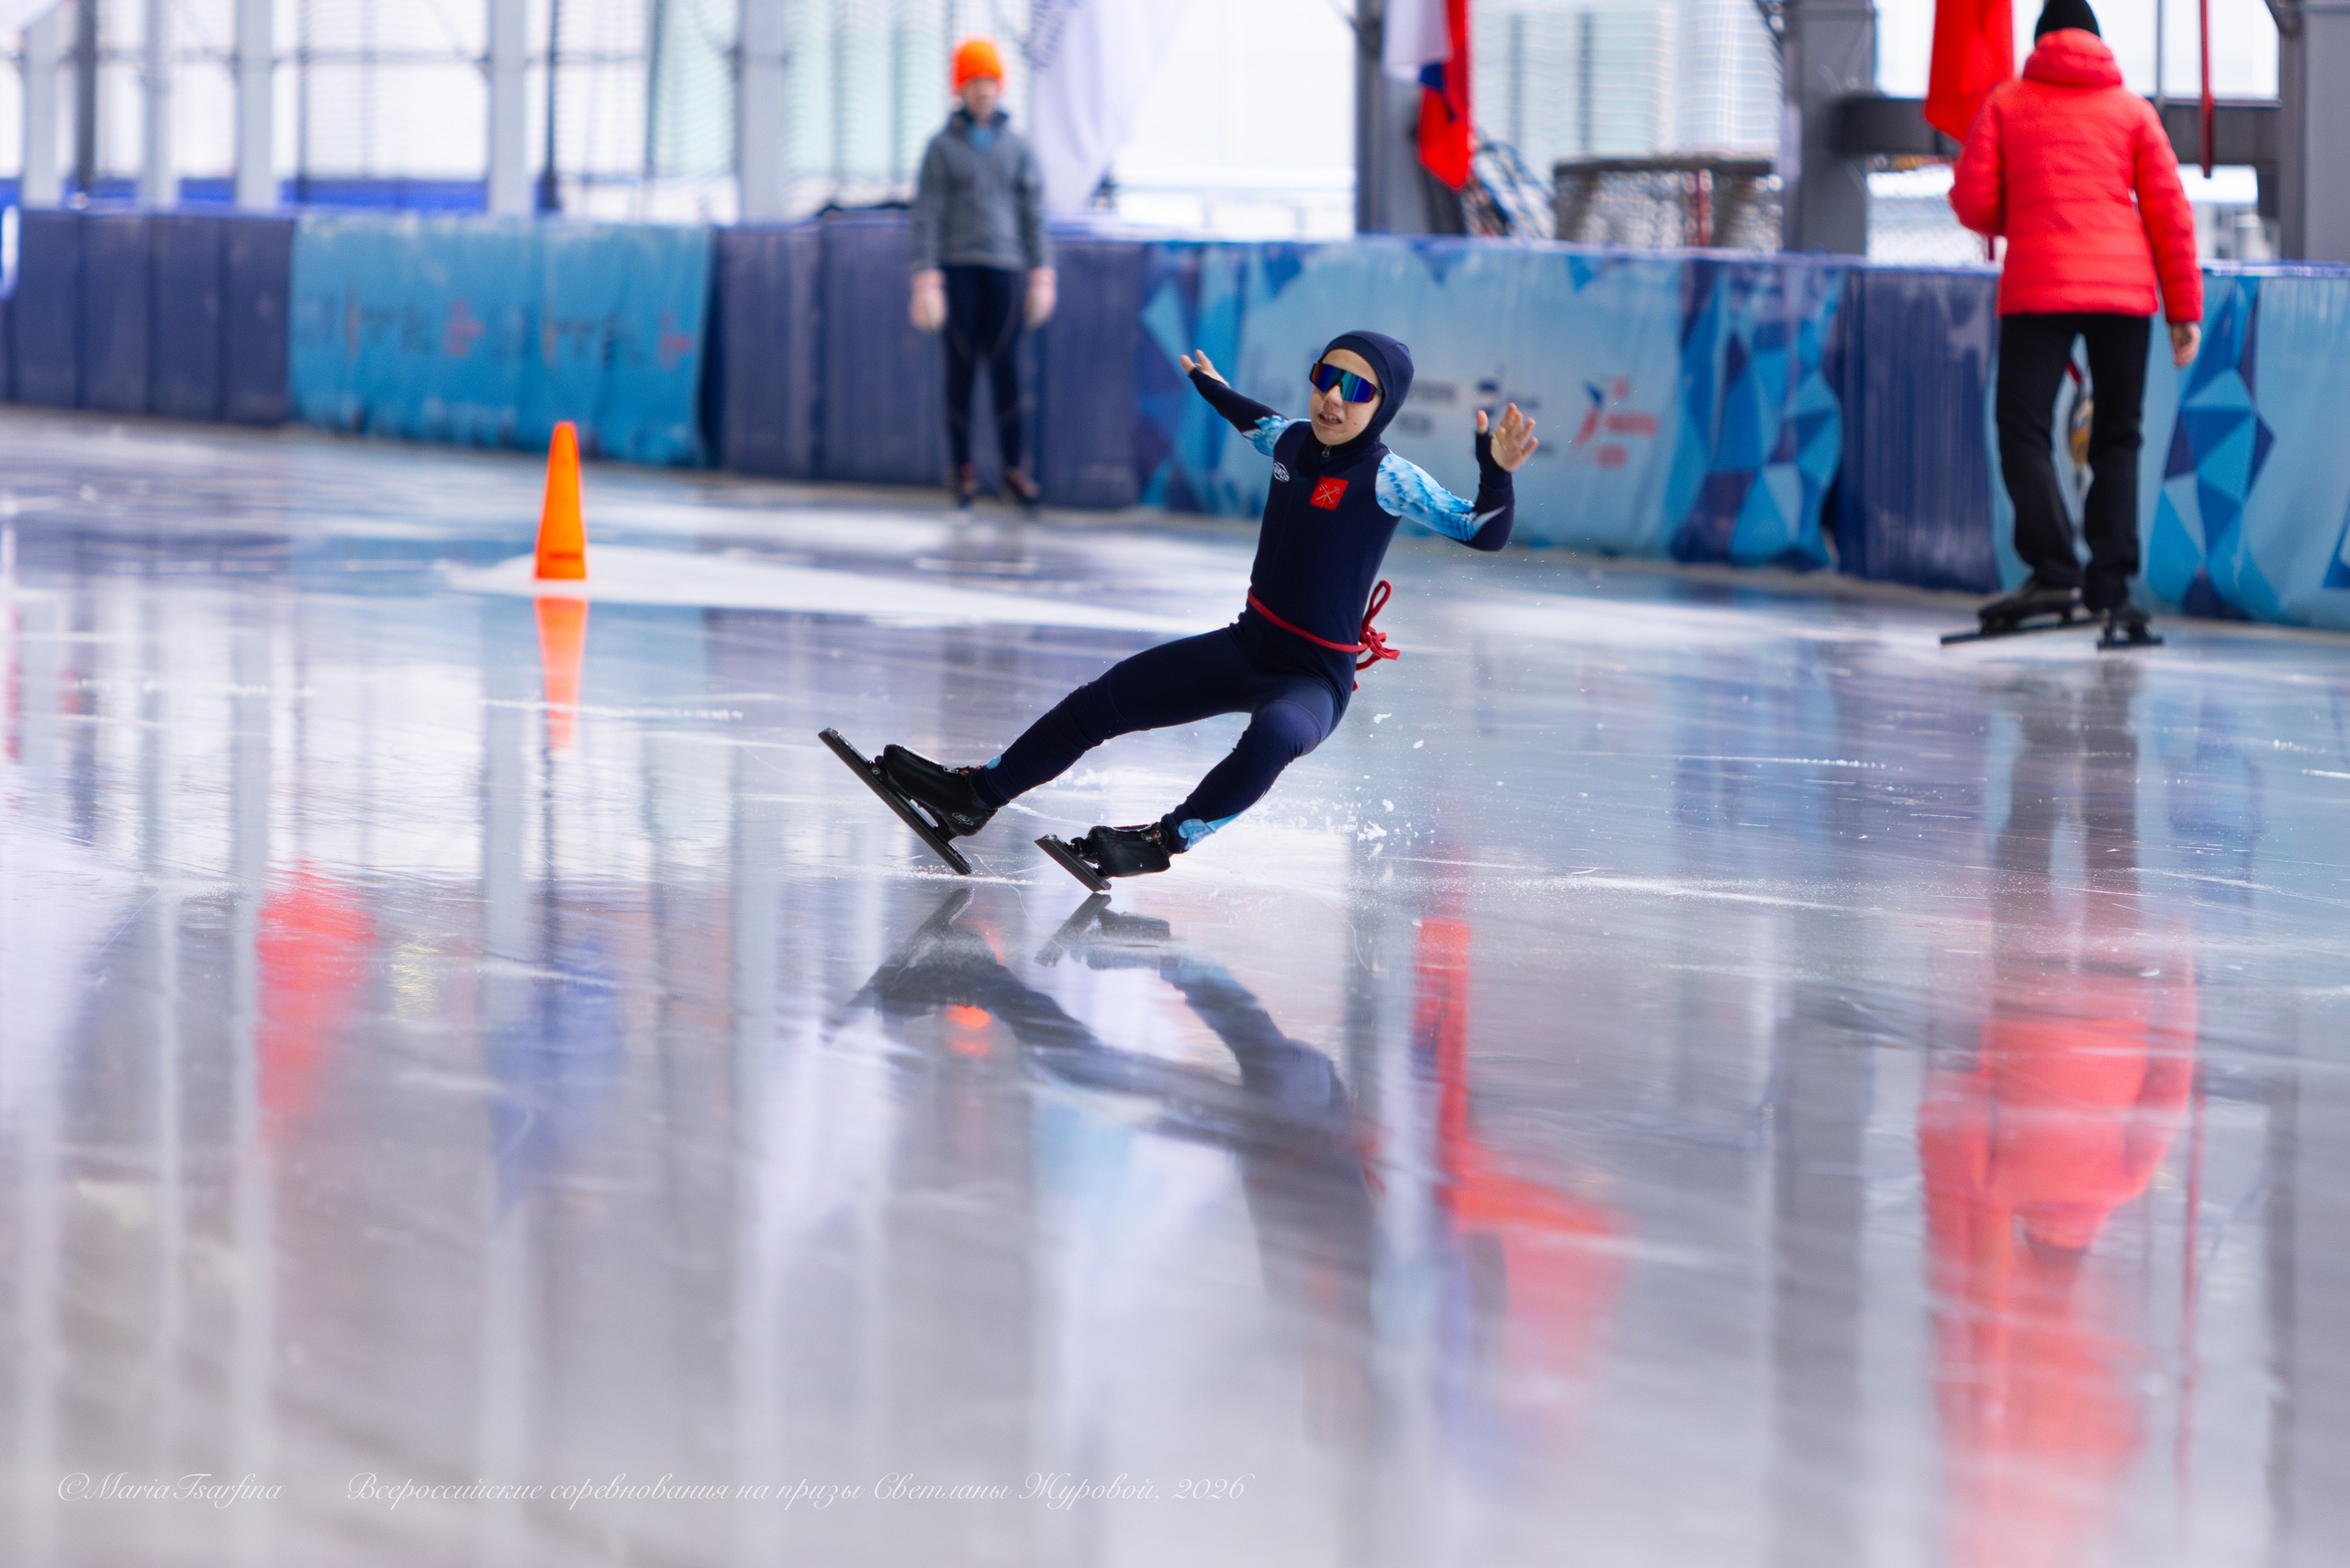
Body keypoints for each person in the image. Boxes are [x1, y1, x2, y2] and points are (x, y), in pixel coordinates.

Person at [870, 330, 1539, 881]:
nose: (1334, 397)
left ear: (1383, 406)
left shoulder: (1390, 478)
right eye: (1325, 376)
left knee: (1275, 736)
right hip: (1245, 647)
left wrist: (1497, 472)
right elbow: (1250, 417)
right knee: (1103, 699)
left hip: (1312, 682)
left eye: (1357, 389)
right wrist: (1210, 386)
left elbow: (1483, 532)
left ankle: (1165, 839)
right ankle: (976, 797)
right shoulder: (1292, 440)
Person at [1950, 0, 2202, 642]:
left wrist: (2032, 216)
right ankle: (2112, 589)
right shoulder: (2132, 110)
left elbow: (1974, 200)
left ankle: (2055, 567)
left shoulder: (2006, 102)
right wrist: (2183, 313)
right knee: (2119, 434)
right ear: (2097, 42)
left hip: (2039, 283)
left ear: (2038, 44)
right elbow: (2170, 215)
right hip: (2125, 290)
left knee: (2022, 427)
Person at [909, 38, 1055, 510]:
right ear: (961, 88)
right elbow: (926, 215)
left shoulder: (1017, 148)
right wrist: (925, 277)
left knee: (1007, 370)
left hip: (1005, 270)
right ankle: (962, 472)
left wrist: (1042, 272)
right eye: (974, 81)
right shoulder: (940, 148)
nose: (984, 90)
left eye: (990, 80)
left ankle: (1014, 470)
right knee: (960, 371)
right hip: (957, 269)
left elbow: (1034, 214)